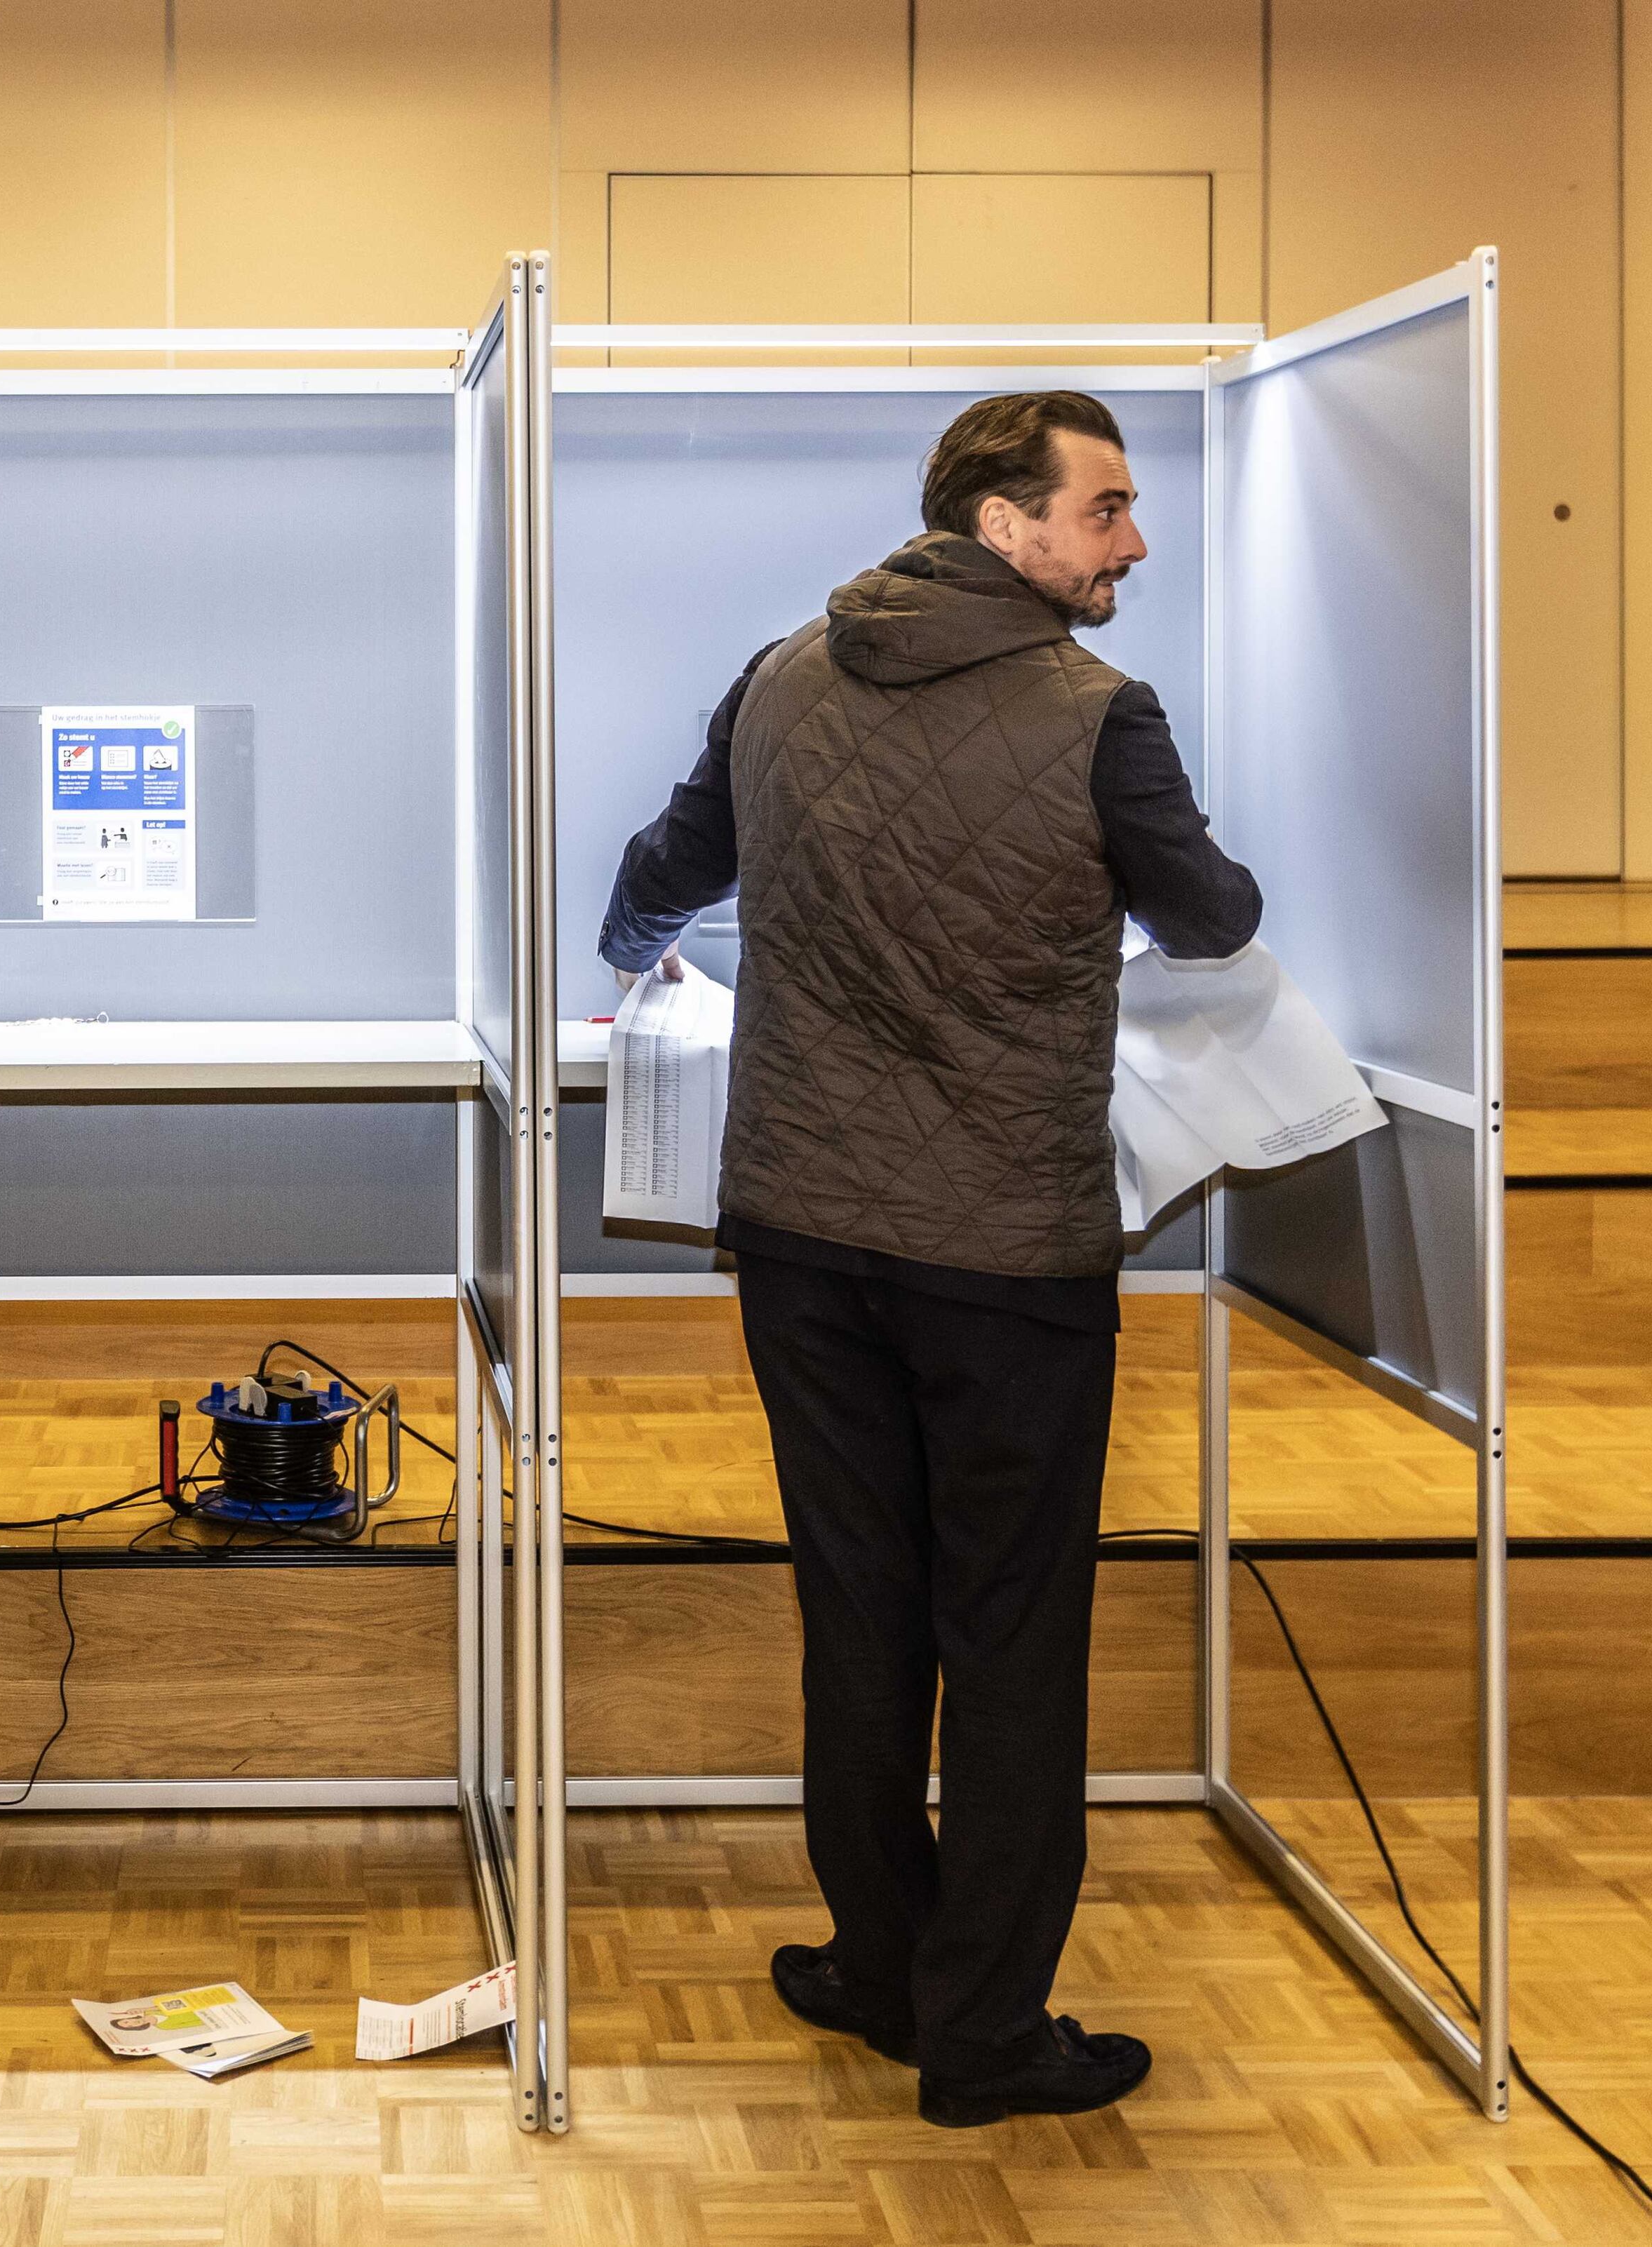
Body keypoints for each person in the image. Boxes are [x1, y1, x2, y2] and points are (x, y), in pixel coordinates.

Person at [597, 391, 1260, 2128]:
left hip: (805, 1240)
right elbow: (1210, 918)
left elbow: (658, 873)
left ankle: (877, 1964)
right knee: (1015, 1633)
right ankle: (981, 2036)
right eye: (1103, 509)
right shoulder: (1100, 719)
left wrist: (634, 956)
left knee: (861, 1611)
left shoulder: (776, 673)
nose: (1130, 541)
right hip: (1002, 1254)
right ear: (998, 521)